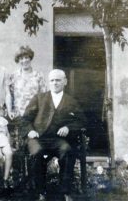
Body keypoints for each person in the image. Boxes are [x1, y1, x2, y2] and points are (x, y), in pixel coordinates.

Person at [21, 69, 86, 201]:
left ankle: (65, 191)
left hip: (58, 140)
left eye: (58, 80)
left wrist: (68, 127)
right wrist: (30, 131)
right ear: (48, 82)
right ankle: (41, 192)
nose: (55, 83)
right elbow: (25, 119)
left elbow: (82, 120)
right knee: (36, 153)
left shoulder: (71, 101)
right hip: (38, 138)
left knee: (67, 151)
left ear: (65, 82)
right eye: (52, 80)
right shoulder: (39, 98)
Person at [9, 45, 47, 119]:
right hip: (18, 114)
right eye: (21, 58)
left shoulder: (39, 76)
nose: (24, 60)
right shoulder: (14, 76)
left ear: (30, 58)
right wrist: (11, 111)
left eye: (26, 57)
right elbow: (10, 95)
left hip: (34, 114)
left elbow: (43, 96)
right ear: (18, 61)